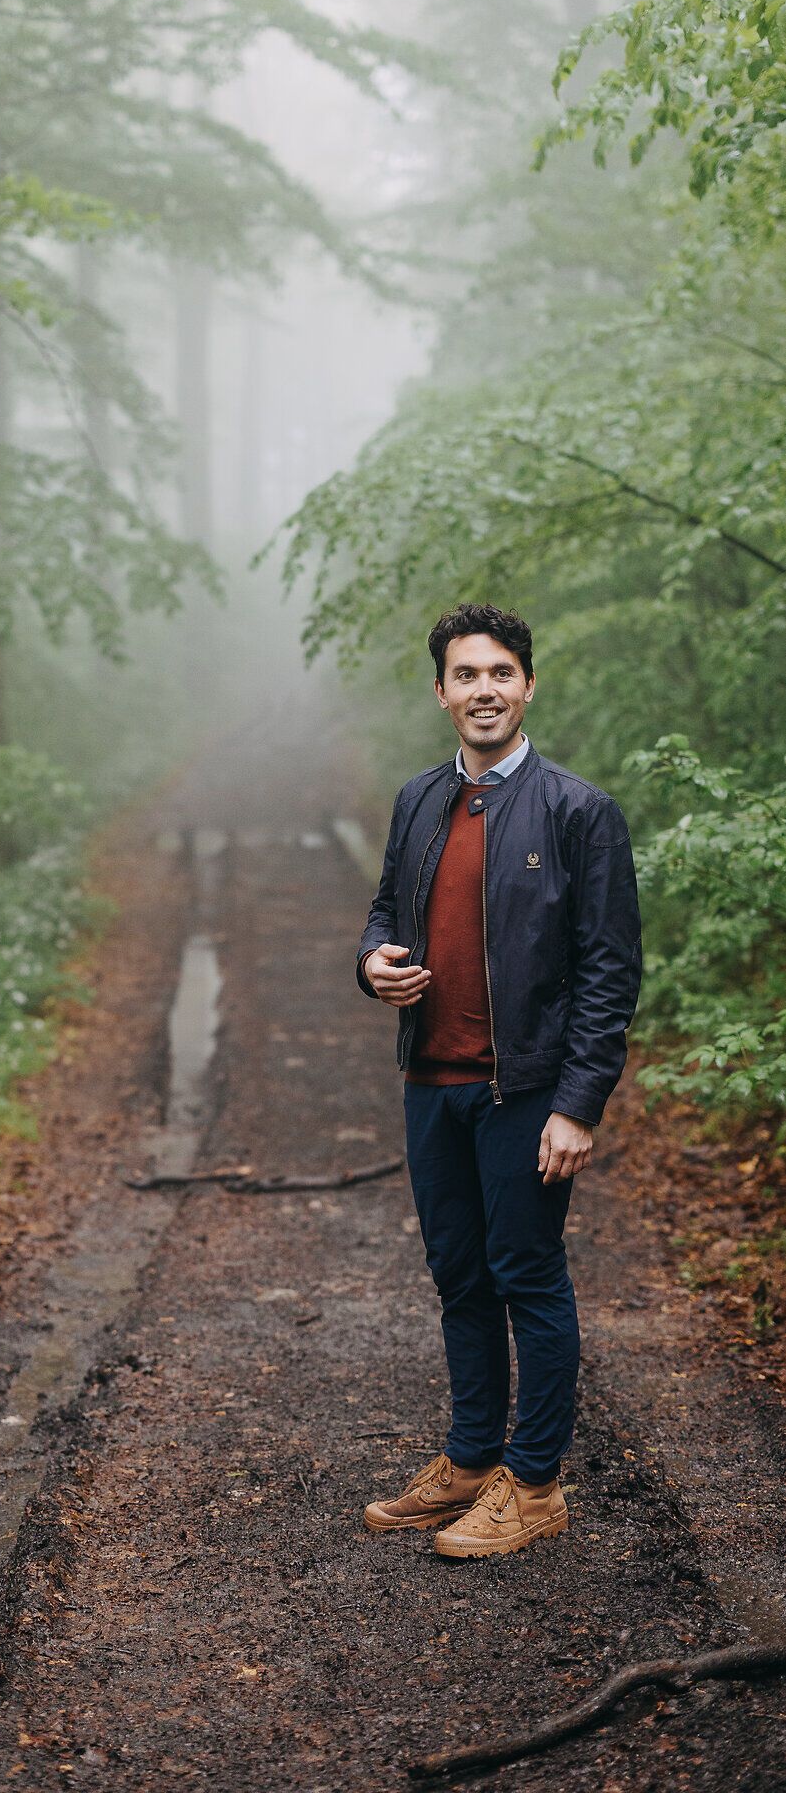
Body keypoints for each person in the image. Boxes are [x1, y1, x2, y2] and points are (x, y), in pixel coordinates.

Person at [356, 602, 642, 1558]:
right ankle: (472, 1459)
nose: (484, 690)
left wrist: (577, 1104)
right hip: (430, 1081)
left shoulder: (577, 810)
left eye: (500, 674)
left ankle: (534, 1483)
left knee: (527, 1277)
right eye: (465, 676)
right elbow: (384, 908)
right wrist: (373, 963)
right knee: (458, 1277)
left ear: (527, 685)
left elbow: (609, 971)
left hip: (522, 1092)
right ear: (440, 693)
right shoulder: (417, 800)